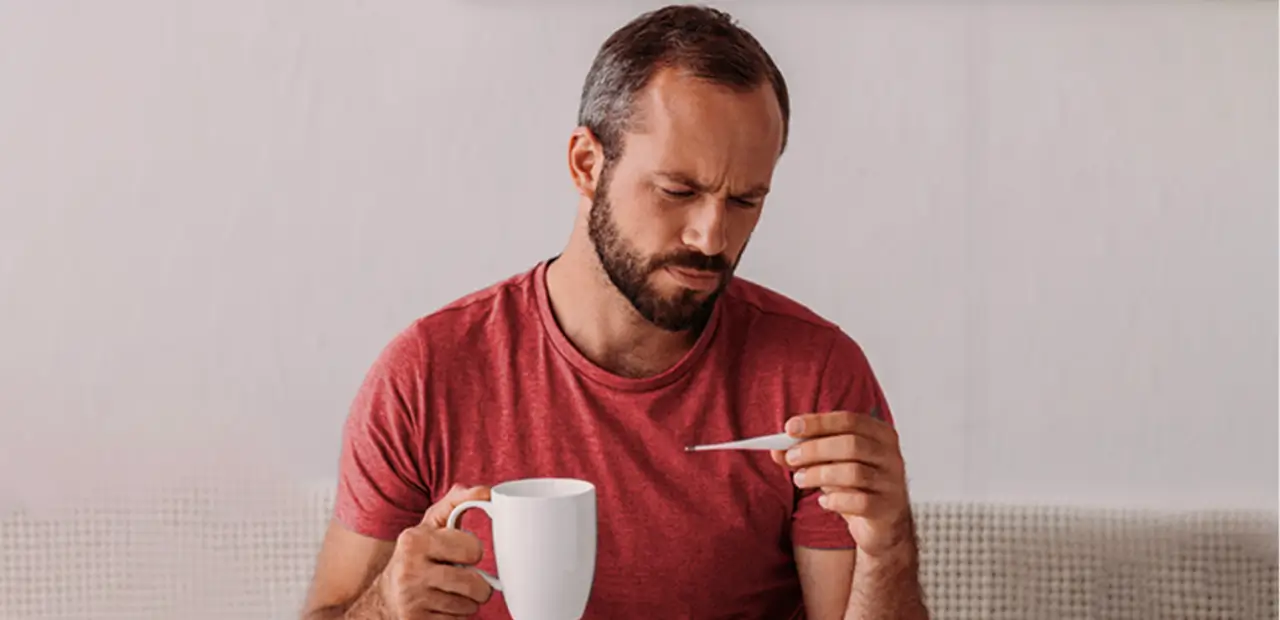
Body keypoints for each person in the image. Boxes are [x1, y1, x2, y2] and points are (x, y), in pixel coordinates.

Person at [301, 4, 927, 619]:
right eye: (677, 191)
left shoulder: (812, 378)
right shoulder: (427, 375)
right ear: (587, 165)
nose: (712, 237)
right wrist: (384, 608)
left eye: (744, 200)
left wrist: (889, 545)